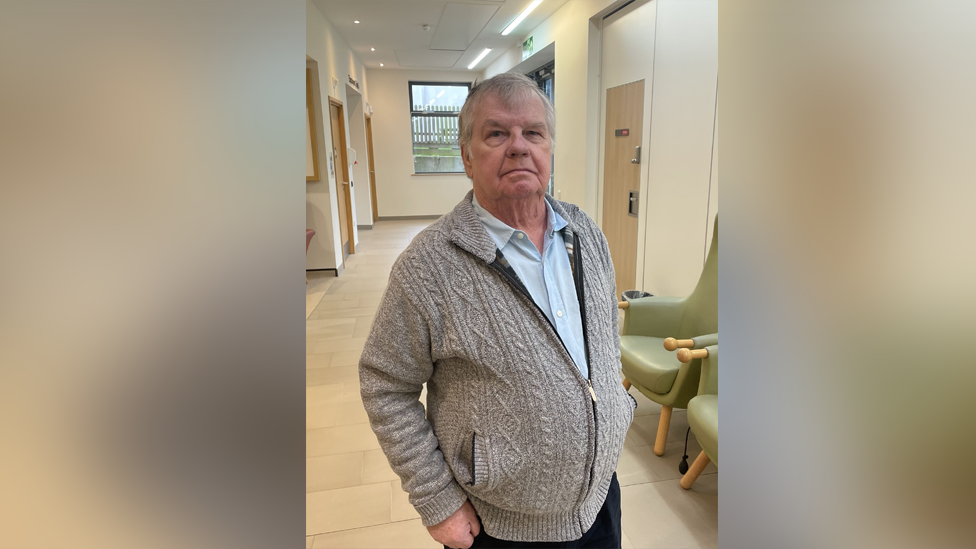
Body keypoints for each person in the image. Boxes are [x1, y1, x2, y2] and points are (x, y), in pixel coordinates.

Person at [359, 72, 635, 549]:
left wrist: (615, 410)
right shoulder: (429, 265)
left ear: (549, 148)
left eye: (533, 132)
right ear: (466, 157)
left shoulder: (585, 233)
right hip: (498, 528)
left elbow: (605, 337)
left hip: (598, 503)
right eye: (496, 133)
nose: (518, 146)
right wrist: (437, 501)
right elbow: (385, 385)